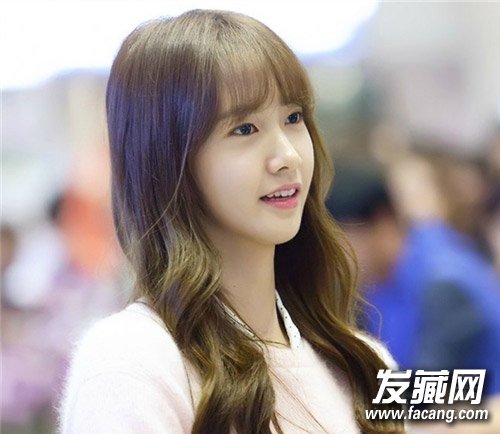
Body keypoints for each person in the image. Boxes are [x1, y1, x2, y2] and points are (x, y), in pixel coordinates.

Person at [58, 10, 404, 434]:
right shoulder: (133, 363)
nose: (288, 156)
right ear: (169, 159)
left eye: (293, 118)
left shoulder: (361, 362)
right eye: (244, 129)